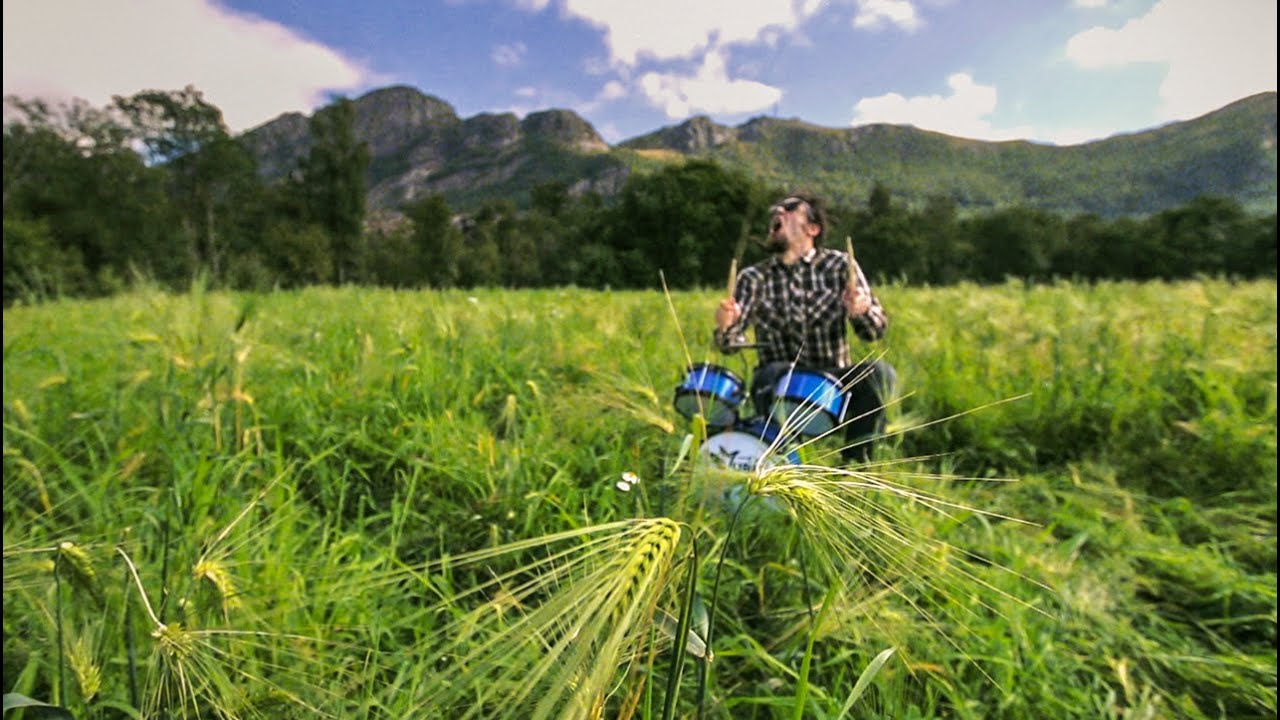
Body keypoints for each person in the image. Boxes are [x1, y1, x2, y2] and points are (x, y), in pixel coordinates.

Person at [713, 192, 896, 463]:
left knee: (880, 374)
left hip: (832, 378)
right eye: (776, 209)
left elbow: (875, 331)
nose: (777, 211)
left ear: (813, 228)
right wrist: (725, 328)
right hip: (778, 375)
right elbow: (729, 345)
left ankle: (855, 469)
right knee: (769, 374)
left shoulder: (839, 266)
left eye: (789, 208)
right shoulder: (753, 277)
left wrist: (862, 311)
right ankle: (777, 466)